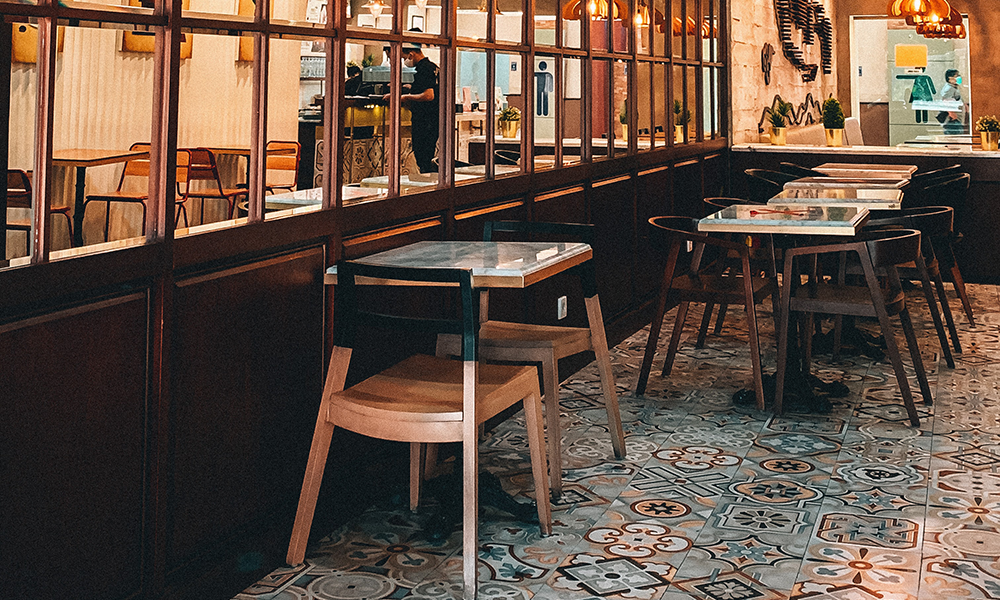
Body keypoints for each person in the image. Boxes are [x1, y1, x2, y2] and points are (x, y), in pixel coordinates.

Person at [384, 35, 439, 173]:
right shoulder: (432, 67)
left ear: (411, 54)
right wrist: (410, 88)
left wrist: (404, 97)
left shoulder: (424, 69)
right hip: (434, 119)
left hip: (425, 121)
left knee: (423, 157)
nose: (405, 61)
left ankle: (427, 187)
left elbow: (429, 95)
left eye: (404, 58)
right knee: (427, 156)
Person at [940, 69, 968, 135]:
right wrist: (951, 113)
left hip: (956, 119)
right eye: (957, 76)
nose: (959, 77)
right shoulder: (949, 88)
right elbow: (946, 101)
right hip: (953, 120)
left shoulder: (954, 88)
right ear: (950, 78)